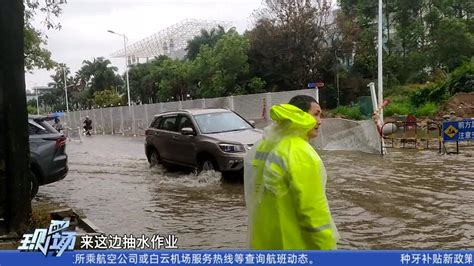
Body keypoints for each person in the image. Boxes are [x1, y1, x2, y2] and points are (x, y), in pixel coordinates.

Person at [244, 95, 339, 250]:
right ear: (299, 115)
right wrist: (328, 250)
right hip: (292, 246)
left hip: (263, 243)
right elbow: (313, 211)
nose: (320, 121)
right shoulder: (301, 152)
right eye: (316, 114)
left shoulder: (265, 145)